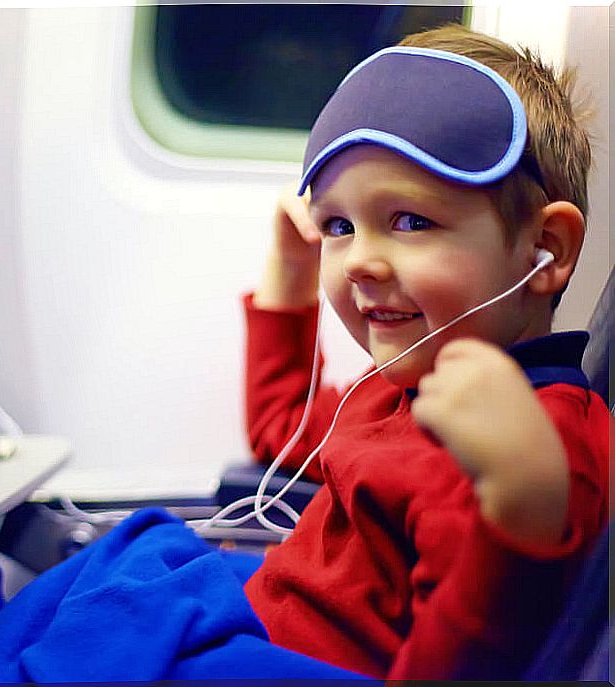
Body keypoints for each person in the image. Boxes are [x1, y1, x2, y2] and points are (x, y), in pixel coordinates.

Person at [241, 25, 609, 680]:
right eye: (337, 225)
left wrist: (521, 507)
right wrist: (291, 278)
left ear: (546, 249)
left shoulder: (534, 446)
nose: (358, 261)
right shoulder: (405, 385)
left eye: (410, 221)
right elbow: (281, 433)